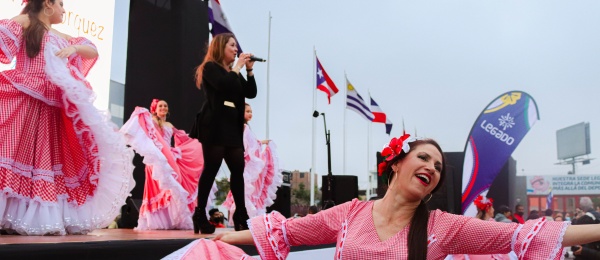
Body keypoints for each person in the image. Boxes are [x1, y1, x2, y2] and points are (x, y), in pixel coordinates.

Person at [205, 134, 600, 259]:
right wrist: (221, 239)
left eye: (438, 166)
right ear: (396, 164)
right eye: (423, 157)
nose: (431, 167)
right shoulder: (349, 213)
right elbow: (289, 232)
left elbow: (523, 235)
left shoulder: (442, 227)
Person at [0, 0, 135, 235]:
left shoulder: (61, 34)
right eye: (61, 4)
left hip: (52, 105)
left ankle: (33, 216)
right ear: (47, 4)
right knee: (15, 153)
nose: (64, 9)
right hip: (26, 97)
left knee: (46, 160)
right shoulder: (26, 22)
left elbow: (91, 49)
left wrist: (73, 49)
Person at [190, 32, 257, 234]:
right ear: (221, 47)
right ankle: (200, 213)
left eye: (236, 46)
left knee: (238, 171)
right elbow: (223, 85)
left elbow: (251, 93)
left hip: (232, 126)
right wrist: (236, 68)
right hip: (214, 124)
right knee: (211, 168)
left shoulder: (234, 72)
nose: (236, 50)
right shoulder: (211, 68)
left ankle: (241, 215)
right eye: (232, 46)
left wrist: (249, 70)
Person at [120, 99, 209, 230]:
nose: (163, 107)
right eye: (160, 105)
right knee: (159, 187)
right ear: (155, 109)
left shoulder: (169, 124)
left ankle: (172, 220)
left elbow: (183, 138)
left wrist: (201, 139)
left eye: (165, 106)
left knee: (172, 187)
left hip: (170, 157)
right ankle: (157, 221)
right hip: (156, 157)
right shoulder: (152, 121)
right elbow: (146, 130)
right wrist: (142, 113)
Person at [221, 103, 282, 223]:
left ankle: (245, 218)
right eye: (247, 111)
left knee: (247, 191)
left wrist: (261, 142)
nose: (250, 114)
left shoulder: (243, 127)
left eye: (251, 111)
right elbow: (249, 145)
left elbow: (251, 143)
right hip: (245, 165)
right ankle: (246, 218)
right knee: (247, 191)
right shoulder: (243, 127)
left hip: (245, 164)